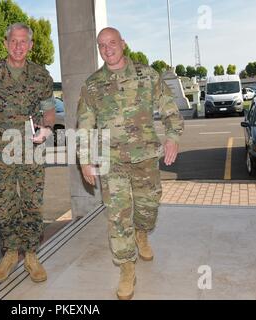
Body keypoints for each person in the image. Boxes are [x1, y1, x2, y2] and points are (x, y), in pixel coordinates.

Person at [77, 27, 184, 300]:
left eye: (112, 42)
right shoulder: (92, 85)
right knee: (117, 216)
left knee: (148, 208)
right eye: (102, 45)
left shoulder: (148, 75)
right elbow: (85, 126)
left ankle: (142, 233)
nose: (107, 48)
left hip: (146, 157)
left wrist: (172, 137)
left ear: (123, 44)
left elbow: (170, 108)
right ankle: (126, 267)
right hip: (112, 162)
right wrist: (85, 160)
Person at [0, 23, 55, 284]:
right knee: (5, 205)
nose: (18, 46)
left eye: (23, 42)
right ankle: (9, 253)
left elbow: (49, 110)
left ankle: (30, 254)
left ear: (30, 46)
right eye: (13, 41)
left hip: (32, 149)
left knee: (32, 204)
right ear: (5, 43)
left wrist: (48, 128)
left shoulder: (41, 76)